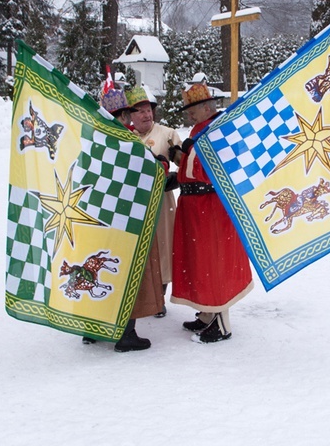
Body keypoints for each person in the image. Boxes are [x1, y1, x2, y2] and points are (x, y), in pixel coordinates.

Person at [170, 82, 254, 344]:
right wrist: (179, 158)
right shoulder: (201, 129)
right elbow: (194, 165)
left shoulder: (221, 131)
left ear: (207, 107)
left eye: (193, 109)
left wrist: (186, 154)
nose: (189, 114)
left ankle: (221, 323)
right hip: (195, 207)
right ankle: (208, 312)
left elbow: (215, 171)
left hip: (211, 208)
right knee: (199, 262)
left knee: (212, 262)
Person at [85, 86, 164, 352]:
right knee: (126, 271)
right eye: (128, 113)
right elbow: (146, 175)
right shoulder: (127, 139)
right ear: (122, 115)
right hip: (126, 216)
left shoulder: (93, 136)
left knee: (96, 266)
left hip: (96, 214)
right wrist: (163, 165)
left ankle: (91, 327)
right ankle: (125, 333)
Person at [126, 86, 182, 319]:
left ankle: (159, 297)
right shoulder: (124, 135)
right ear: (130, 115)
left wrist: (174, 178)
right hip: (134, 203)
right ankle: (138, 297)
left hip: (161, 203)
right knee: (139, 248)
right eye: (140, 111)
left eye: (149, 109)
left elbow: (184, 163)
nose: (146, 115)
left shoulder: (167, 134)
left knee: (163, 246)